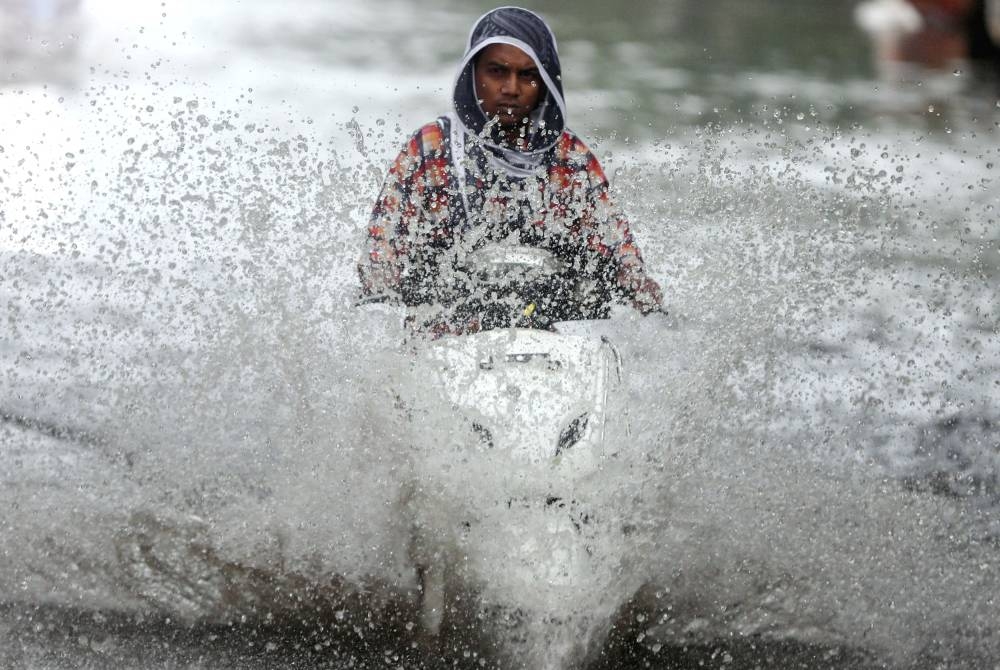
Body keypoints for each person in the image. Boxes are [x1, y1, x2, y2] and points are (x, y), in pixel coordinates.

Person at [357, 6, 664, 336]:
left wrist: (644, 296)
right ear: (472, 73)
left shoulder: (571, 160)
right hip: (443, 337)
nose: (511, 88)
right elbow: (382, 251)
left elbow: (619, 252)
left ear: (546, 82)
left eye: (528, 75)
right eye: (497, 71)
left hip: (550, 338)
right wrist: (380, 300)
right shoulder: (430, 150)